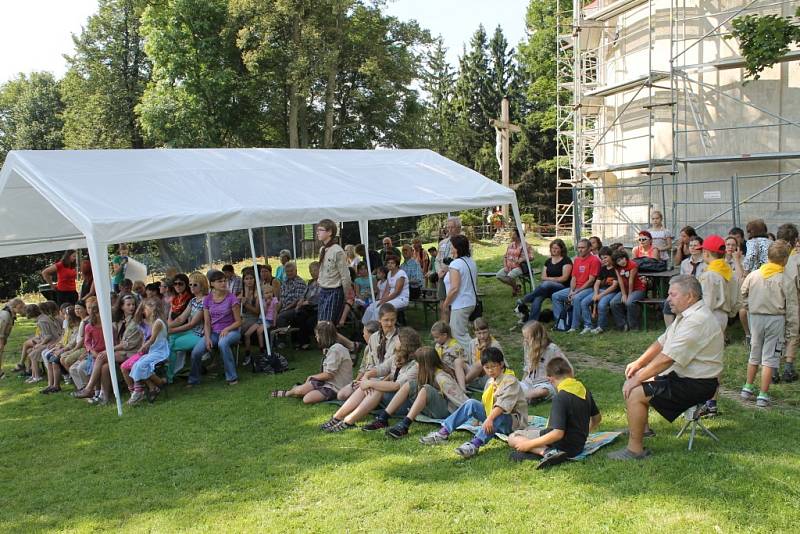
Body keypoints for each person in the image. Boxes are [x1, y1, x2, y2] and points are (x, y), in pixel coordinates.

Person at [608, 275, 723, 460]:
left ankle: (635, 450)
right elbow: (662, 342)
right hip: (685, 377)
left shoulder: (697, 320)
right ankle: (642, 430)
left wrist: (637, 379)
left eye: (673, 294)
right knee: (637, 378)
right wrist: (639, 364)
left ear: (690, 296)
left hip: (698, 383)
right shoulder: (687, 315)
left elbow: (667, 359)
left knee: (636, 391)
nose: (668, 298)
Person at [419, 347, 528, 459]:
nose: (490, 371)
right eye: (487, 368)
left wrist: (489, 419)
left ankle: (474, 444)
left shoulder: (510, 380)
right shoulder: (490, 381)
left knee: (497, 415)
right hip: (493, 415)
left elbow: (503, 405)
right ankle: (443, 433)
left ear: (501, 364)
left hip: (512, 422)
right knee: (471, 403)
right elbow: (485, 401)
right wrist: (478, 419)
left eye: (493, 366)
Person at [508, 357, 602, 468]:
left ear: (550, 379)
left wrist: (528, 444)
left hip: (561, 446)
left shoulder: (561, 397)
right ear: (570, 372)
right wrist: (584, 434)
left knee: (513, 437)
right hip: (578, 447)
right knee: (530, 431)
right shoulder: (584, 390)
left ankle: (547, 452)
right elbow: (597, 418)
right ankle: (548, 451)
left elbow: (557, 433)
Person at [322, 327, 421, 432]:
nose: (395, 339)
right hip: (390, 398)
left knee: (377, 388)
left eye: (398, 338)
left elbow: (396, 386)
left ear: (405, 343)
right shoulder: (397, 355)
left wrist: (369, 383)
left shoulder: (415, 365)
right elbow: (381, 369)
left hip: (404, 404)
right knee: (366, 386)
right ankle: (337, 417)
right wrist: (366, 377)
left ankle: (348, 421)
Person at [740, 241, 798, 407]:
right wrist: (792, 331)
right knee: (770, 358)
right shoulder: (785, 280)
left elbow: (743, 292)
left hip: (756, 318)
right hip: (775, 319)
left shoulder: (754, 275)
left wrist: (750, 307)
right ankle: (763, 394)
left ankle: (747, 387)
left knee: (755, 352)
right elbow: (792, 308)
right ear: (785, 259)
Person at [371, 346, 470, 438]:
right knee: (410, 384)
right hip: (433, 407)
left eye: (417, 363)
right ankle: (383, 418)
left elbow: (461, 399)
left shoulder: (442, 378)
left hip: (447, 411)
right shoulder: (428, 373)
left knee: (426, 389)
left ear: (425, 364)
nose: (415, 365)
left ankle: (404, 425)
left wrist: (473, 416)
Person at [271, 321, 353, 403]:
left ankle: (298, 389)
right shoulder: (332, 348)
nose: (316, 337)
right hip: (327, 382)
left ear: (323, 337)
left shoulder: (336, 350)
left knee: (307, 399)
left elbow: (329, 374)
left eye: (317, 335)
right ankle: (288, 393)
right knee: (301, 391)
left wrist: (312, 377)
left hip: (336, 386)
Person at [187, 270, 242, 387]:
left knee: (223, 343)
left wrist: (227, 329)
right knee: (196, 352)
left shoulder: (232, 298)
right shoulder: (207, 299)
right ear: (212, 284)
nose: (223, 283)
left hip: (232, 331)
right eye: (220, 281)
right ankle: (193, 380)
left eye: (224, 281)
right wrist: (207, 338)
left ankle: (232, 377)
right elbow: (207, 322)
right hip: (214, 333)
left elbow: (238, 322)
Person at [337, 307, 397, 401]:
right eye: (386, 320)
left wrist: (375, 384)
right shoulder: (373, 338)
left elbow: (393, 370)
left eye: (392, 320)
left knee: (358, 395)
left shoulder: (398, 339)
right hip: (371, 377)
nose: (389, 323)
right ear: (379, 320)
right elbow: (368, 364)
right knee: (342, 395)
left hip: (386, 380)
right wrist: (360, 380)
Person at [126, 298, 170, 404]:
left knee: (141, 365)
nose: (144, 312)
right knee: (137, 364)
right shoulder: (152, 322)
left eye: (145, 309)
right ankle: (156, 385)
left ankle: (159, 383)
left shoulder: (158, 322)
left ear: (151, 308)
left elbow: (152, 339)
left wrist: (143, 347)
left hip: (160, 352)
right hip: (154, 351)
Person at [552, 239, 600, 332]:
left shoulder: (594, 260)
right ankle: (560, 323)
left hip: (589, 288)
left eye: (583, 248)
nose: (580, 250)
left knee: (576, 298)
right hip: (576, 288)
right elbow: (573, 278)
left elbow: (591, 281)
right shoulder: (577, 260)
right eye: (579, 248)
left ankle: (574, 326)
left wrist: (576, 292)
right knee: (556, 296)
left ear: (589, 248)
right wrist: (571, 291)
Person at [167, 272, 208, 382]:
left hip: (201, 334)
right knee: (170, 339)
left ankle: (169, 376)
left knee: (172, 344)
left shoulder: (205, 301)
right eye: (190, 284)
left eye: (195, 285)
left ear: (202, 286)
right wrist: (165, 327)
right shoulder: (193, 300)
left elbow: (192, 324)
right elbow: (180, 319)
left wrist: (171, 330)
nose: (191, 287)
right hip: (192, 331)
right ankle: (170, 373)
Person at [520, 238, 572, 321]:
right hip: (548, 288)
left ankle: (526, 299)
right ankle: (532, 321)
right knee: (537, 298)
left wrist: (550, 279)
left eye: (556, 248)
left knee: (546, 284)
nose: (554, 250)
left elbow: (564, 278)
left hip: (563, 287)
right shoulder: (548, 261)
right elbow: (543, 277)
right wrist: (552, 279)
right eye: (552, 248)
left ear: (561, 249)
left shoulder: (566, 260)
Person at [520, 320, 571, 403]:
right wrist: (521, 383)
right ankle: (525, 397)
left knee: (542, 391)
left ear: (537, 337)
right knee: (510, 383)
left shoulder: (552, 349)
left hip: (546, 384)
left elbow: (568, 367)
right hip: (529, 383)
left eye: (527, 338)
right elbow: (526, 368)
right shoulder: (527, 346)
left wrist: (565, 385)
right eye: (524, 337)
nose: (525, 340)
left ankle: (522, 397)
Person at [442, 234, 478, 349]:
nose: (450, 248)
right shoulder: (470, 261)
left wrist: (445, 304)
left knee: (459, 335)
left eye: (452, 246)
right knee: (463, 333)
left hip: (460, 304)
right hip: (470, 301)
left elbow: (454, 288)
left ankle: (477, 358)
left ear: (457, 248)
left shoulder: (455, 264)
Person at [699, 235, 738, 334]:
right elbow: (737, 299)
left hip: (710, 316)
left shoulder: (708, 275)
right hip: (723, 316)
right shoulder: (730, 272)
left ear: (706, 253)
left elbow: (708, 301)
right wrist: (731, 313)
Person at [316, 219, 352, 323]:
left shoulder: (337, 251)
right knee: (321, 323)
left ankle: (333, 340)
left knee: (327, 325)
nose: (318, 232)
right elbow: (322, 269)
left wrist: (345, 295)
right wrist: (319, 281)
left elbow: (345, 276)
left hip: (334, 290)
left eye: (320, 230)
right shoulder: (323, 249)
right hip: (323, 289)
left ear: (330, 232)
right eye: (317, 230)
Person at [40, 304, 82, 393]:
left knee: (55, 359)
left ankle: (56, 385)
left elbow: (72, 343)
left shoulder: (77, 327)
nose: (64, 316)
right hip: (67, 348)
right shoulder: (70, 327)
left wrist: (62, 349)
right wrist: (59, 346)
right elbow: (64, 339)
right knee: (51, 358)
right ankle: (51, 384)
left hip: (73, 349)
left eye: (66, 315)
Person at [776, 223, 799, 382]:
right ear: (795, 240)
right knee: (792, 332)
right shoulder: (796, 257)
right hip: (793, 298)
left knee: (776, 333)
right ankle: (788, 368)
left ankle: (773, 369)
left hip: (773, 299)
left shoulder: (772, 254)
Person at [582, 246, 619, 334]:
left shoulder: (616, 269)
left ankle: (600, 326)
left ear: (611, 256)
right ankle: (588, 325)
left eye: (606, 257)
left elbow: (614, 286)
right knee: (584, 302)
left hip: (612, 292)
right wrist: (595, 294)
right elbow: (597, 283)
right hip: (601, 291)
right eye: (602, 258)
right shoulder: (603, 269)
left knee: (602, 304)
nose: (604, 260)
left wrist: (600, 295)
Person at [362, 256, 409, 323]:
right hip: (390, 298)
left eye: (392, 263)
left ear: (397, 264)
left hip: (400, 299)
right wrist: (382, 300)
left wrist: (384, 301)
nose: (389, 264)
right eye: (388, 263)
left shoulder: (401, 274)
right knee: (371, 307)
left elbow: (396, 292)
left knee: (379, 309)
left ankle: (374, 328)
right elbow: (387, 290)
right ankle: (365, 327)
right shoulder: (389, 273)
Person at [25, 301, 62, 384]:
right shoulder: (42, 318)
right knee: (31, 351)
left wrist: (40, 344)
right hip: (50, 341)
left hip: (52, 342)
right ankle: (34, 376)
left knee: (33, 354)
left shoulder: (42, 321)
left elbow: (48, 336)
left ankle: (37, 376)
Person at [461, 317, 503, 390]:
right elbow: (470, 362)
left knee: (481, 362)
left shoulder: (495, 344)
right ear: (474, 332)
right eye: (479, 333)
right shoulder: (472, 343)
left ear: (489, 330)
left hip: (488, 376)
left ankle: (462, 384)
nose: (482, 336)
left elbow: (502, 365)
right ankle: (462, 384)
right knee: (458, 361)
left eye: (484, 332)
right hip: (473, 375)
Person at [611, 248, 647, 331]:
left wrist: (629, 295)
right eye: (619, 261)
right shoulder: (617, 268)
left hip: (638, 289)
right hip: (625, 290)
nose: (622, 261)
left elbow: (631, 281)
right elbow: (620, 281)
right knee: (613, 303)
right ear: (616, 263)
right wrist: (624, 294)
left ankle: (633, 327)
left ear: (625, 257)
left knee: (629, 302)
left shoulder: (633, 265)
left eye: (623, 258)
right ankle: (623, 325)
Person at [435, 216, 463, 312]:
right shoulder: (443, 242)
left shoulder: (463, 242)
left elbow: (462, 260)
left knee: (455, 305)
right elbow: (437, 259)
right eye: (448, 227)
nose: (449, 230)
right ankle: (444, 326)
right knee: (443, 306)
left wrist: (446, 270)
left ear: (458, 228)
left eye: (452, 227)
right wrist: (439, 270)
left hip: (454, 277)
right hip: (442, 276)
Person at [431, 320, 467, 389]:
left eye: (436, 337)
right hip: (443, 371)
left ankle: (462, 388)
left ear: (445, 335)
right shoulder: (437, 345)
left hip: (455, 374)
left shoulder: (455, 347)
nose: (435, 340)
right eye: (434, 337)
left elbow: (463, 363)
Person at [496, 228, 531, 297]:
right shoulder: (510, 245)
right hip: (509, 266)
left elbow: (532, 257)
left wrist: (523, 259)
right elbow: (505, 256)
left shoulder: (525, 245)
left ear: (519, 236)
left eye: (513, 234)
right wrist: (505, 266)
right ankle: (516, 288)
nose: (511, 235)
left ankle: (515, 289)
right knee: (499, 275)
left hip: (519, 267)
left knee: (510, 276)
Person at [0, 298, 26, 380]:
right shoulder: (6, 314)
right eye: (21, 308)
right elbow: (1, 329)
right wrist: (1, 341)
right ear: (15, 307)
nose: (22, 310)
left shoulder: (10, 313)